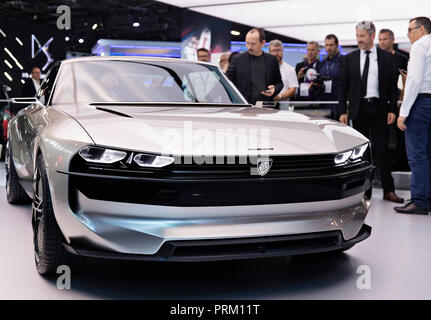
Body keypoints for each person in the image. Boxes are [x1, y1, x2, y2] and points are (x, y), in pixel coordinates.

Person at [338, 21, 403, 203]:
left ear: (372, 36)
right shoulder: (349, 58)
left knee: (382, 150)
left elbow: (392, 87)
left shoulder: (386, 57)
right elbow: (343, 87)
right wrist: (343, 111)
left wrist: (392, 109)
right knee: (359, 153)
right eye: (357, 35)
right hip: (358, 110)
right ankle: (359, 193)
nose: (358, 39)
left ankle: (389, 190)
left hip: (379, 109)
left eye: (362, 36)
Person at [394, 17, 431, 215]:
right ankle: (427, 198)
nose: (408, 34)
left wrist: (403, 112)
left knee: (418, 155)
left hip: (422, 103)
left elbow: (414, 80)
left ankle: (419, 201)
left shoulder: (419, 46)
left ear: (422, 29)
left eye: (410, 29)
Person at [379, 28, 410, 172]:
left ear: (392, 40)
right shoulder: (375, 58)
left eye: (384, 39)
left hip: (398, 103)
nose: (382, 42)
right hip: (380, 103)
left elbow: (407, 80)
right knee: (381, 137)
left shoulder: (401, 58)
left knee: (399, 137)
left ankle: (401, 167)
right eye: (380, 39)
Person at [226, 28, 283, 105]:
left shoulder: (271, 60)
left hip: (266, 107)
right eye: (247, 43)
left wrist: (274, 89)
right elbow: (226, 82)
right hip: (244, 107)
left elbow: (279, 83)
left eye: (253, 44)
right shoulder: (237, 59)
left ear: (263, 43)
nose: (249, 47)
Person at [320, 34, 343, 119]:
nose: (328, 48)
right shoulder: (322, 63)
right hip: (323, 105)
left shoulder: (344, 61)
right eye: (326, 45)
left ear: (337, 45)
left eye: (331, 45)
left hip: (339, 104)